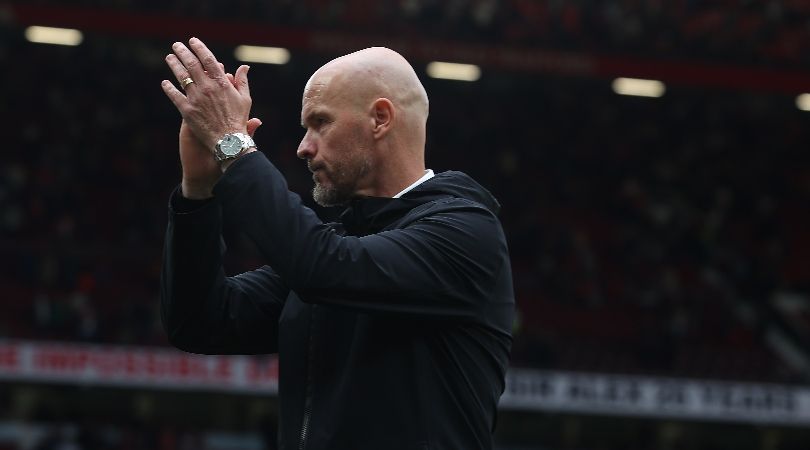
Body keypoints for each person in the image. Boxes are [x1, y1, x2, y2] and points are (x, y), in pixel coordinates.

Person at [159, 37, 515, 450]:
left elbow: (322, 266)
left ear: (380, 119)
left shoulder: (465, 232)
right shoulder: (343, 243)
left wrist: (233, 146)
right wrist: (197, 191)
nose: (303, 147)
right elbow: (200, 322)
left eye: (321, 123)